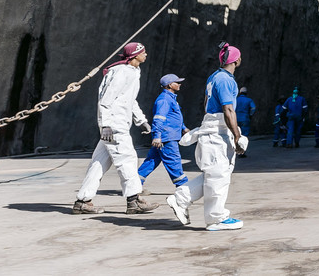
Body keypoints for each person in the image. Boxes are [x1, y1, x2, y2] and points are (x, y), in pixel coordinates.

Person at [71, 42, 158, 214]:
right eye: (143, 52)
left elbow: (129, 100)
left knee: (99, 163)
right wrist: (106, 126)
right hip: (114, 125)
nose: (146, 54)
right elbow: (105, 101)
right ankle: (133, 200)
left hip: (117, 124)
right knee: (127, 159)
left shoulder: (132, 71)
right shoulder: (120, 72)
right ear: (134, 55)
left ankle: (83, 201)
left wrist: (141, 120)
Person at [177, 41, 248, 230]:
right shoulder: (226, 80)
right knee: (219, 176)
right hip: (218, 133)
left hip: (211, 129)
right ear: (237, 60)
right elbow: (228, 109)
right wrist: (237, 137)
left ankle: (181, 199)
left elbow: (206, 104)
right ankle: (216, 219)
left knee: (212, 174)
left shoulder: (213, 77)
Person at [136, 73, 190, 214]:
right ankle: (184, 188)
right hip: (166, 138)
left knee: (151, 161)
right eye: (177, 82)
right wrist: (158, 136)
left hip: (167, 135)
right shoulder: (164, 99)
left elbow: (174, 116)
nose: (179, 84)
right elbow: (159, 118)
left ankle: (134, 185)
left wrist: (183, 128)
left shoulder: (170, 98)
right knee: (174, 161)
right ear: (169, 85)